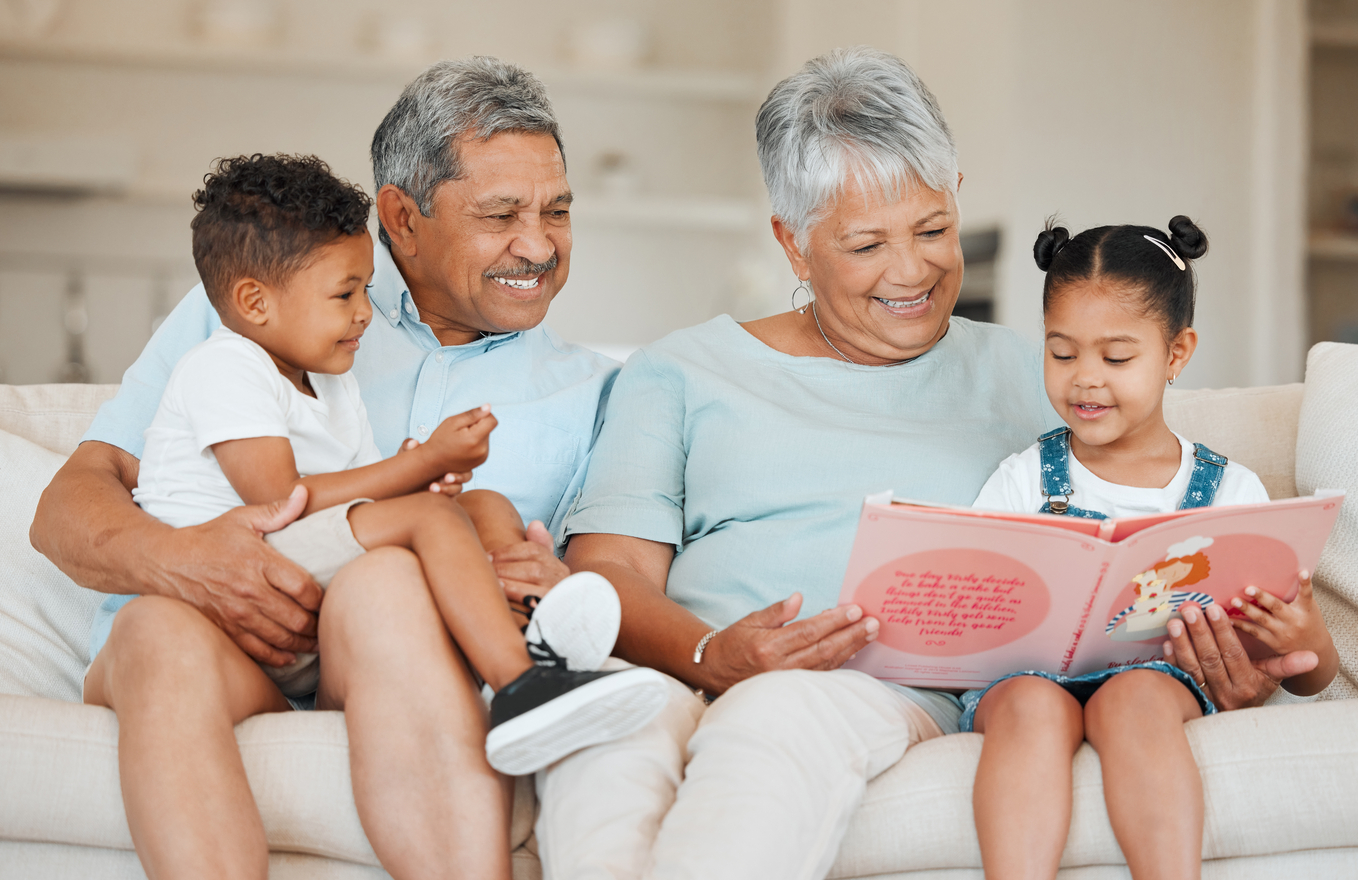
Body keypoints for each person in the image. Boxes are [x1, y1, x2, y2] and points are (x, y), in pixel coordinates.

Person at [32, 58, 613, 880]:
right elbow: (65, 507)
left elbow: (610, 579)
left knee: (387, 584)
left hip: (388, 648)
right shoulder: (259, 307)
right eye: (500, 214)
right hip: (211, 647)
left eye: (556, 211)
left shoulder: (599, 391)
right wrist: (187, 561)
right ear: (401, 219)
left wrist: (547, 578)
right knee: (155, 629)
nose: (538, 244)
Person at [539, 47, 1057, 880]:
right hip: (684, 663)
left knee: (779, 714)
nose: (912, 270)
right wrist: (713, 653)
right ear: (793, 243)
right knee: (603, 733)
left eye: (933, 230)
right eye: (866, 246)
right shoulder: (681, 370)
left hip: (881, 691)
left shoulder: (1039, 377)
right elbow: (607, 573)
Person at [965, 217, 1340, 880]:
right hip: (1025, 679)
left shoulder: (1230, 492)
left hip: (1158, 681)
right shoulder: (1021, 477)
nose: (1085, 379)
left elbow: (1308, 673)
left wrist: (1301, 631)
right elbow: (976, 602)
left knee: (1134, 695)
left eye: (1115, 358)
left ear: (1176, 353)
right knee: (1029, 703)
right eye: (1061, 353)